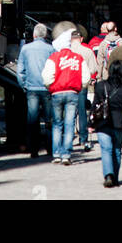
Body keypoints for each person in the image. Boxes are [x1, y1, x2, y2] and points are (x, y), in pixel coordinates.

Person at [91, 58, 122, 188]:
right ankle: (115, 177)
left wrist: (90, 124)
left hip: (102, 122)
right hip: (119, 121)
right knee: (117, 150)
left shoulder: (100, 85)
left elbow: (95, 105)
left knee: (106, 149)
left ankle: (108, 175)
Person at [42, 27, 85, 164]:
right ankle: (66, 154)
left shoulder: (53, 58)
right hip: (73, 93)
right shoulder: (78, 58)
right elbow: (86, 77)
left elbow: (47, 77)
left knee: (56, 124)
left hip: (56, 93)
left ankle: (56, 153)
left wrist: (51, 87)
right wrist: (79, 87)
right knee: (69, 123)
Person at [16, 23, 54, 159]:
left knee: (32, 120)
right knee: (49, 119)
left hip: (31, 87)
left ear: (34, 35)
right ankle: (50, 148)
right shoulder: (51, 49)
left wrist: (24, 85)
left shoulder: (25, 49)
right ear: (45, 35)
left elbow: (20, 70)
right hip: (47, 87)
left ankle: (34, 149)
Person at [70, 26, 98, 151]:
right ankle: (83, 137)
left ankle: (69, 137)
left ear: (71, 40)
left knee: (70, 112)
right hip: (81, 84)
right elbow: (93, 69)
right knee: (82, 111)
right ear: (81, 39)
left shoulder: (66, 51)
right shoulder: (87, 51)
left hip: (68, 85)